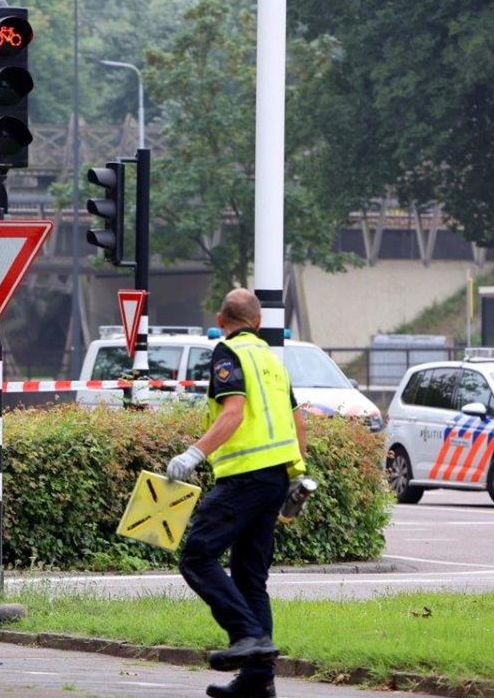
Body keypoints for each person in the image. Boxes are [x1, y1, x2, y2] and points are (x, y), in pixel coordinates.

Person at [166, 288, 308, 698]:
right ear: (258, 323)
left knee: (197, 555)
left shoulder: (228, 352)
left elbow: (234, 412)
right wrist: (299, 473)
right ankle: (258, 682)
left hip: (244, 478)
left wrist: (193, 454)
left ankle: (247, 636)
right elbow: (298, 420)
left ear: (220, 318)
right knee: (250, 577)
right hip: (276, 480)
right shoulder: (272, 360)